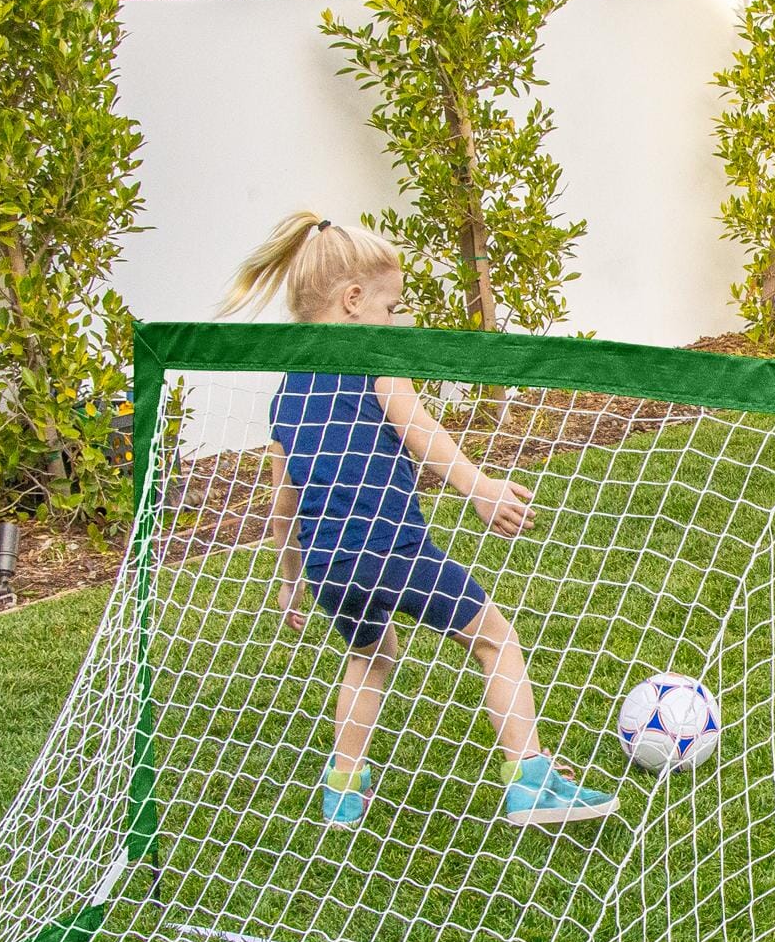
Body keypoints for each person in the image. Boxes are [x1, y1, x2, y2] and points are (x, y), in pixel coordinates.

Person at [222, 211, 617, 829]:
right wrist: (479, 487)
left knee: (371, 656)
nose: (395, 321)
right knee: (495, 638)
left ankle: (344, 789)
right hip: (393, 550)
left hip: (330, 567)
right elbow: (420, 430)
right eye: (390, 306)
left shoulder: (287, 391)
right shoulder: (376, 359)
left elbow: (282, 507)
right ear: (353, 301)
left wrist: (291, 579)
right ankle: (531, 778)